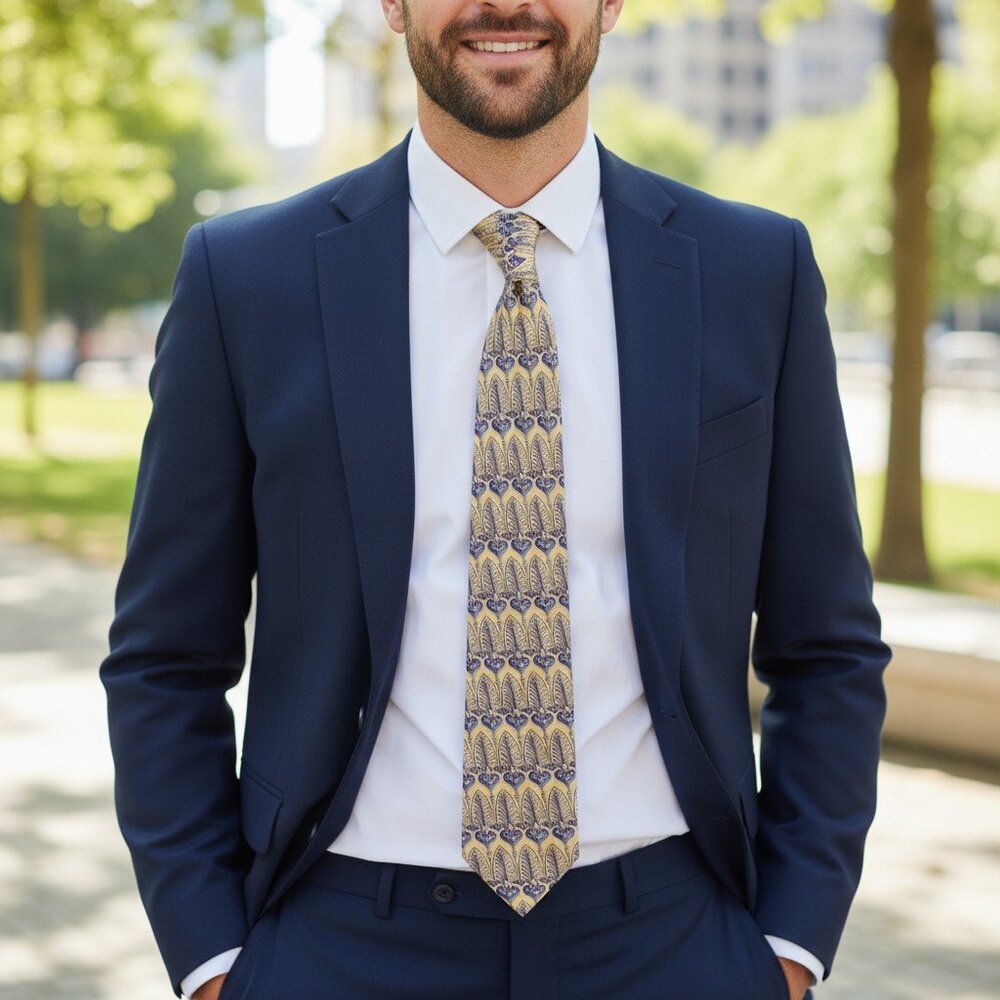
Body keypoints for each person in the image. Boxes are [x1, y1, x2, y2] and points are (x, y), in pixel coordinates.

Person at [100, 0, 892, 997]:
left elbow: (828, 645)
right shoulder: (246, 278)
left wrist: (790, 943)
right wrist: (214, 958)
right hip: (340, 945)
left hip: (674, 943)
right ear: (390, 4)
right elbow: (164, 656)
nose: (504, 4)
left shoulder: (752, 271)